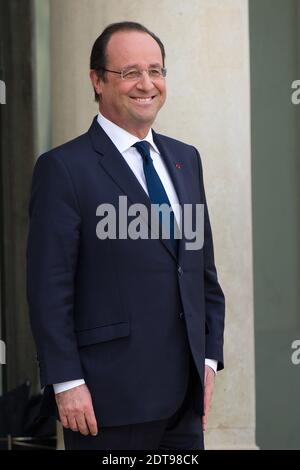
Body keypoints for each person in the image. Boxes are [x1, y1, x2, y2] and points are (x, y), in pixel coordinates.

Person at [27, 21, 225, 450]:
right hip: (105, 403)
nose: (146, 84)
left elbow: (200, 272)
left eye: (156, 71)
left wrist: (208, 359)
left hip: (184, 404)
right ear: (97, 81)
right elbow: (49, 289)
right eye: (130, 72)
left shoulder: (185, 160)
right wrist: (66, 382)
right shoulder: (63, 169)